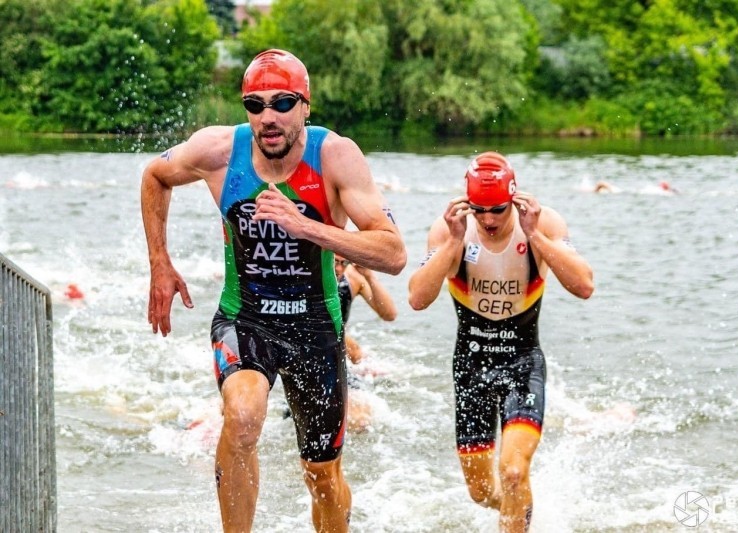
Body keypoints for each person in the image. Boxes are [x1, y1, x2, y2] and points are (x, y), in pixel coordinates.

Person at [141, 49, 406, 533]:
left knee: (323, 476)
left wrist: (311, 230)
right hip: (246, 317)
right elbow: (156, 176)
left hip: (316, 329)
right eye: (255, 104)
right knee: (243, 417)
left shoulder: (336, 157)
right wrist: (160, 262)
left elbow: (392, 253)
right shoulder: (218, 151)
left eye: (283, 103)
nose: (268, 117)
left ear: (306, 105)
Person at [407, 152, 593, 532]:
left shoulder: (543, 224)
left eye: (497, 210)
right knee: (481, 492)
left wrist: (537, 235)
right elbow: (417, 299)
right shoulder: (449, 230)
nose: (489, 220)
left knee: (511, 470)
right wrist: (453, 243)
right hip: (470, 368)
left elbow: (584, 286)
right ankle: (522, 508)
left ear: (514, 199)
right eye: (480, 210)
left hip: (522, 363)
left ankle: (516, 506)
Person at [335, 254, 397, 431]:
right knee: (352, 421)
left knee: (364, 421)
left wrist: (369, 276)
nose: (339, 269)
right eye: (334, 263)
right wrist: (354, 350)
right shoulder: (307, 277)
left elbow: (389, 314)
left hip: (339, 358)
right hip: (312, 359)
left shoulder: (353, 279)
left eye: (344, 263)